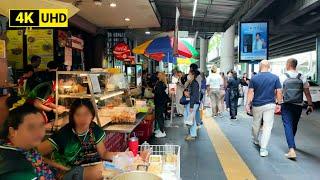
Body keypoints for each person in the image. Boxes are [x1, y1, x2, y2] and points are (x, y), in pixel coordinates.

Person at [38, 99, 122, 179]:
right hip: (69, 172)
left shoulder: (94, 129)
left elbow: (103, 153)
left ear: (92, 115)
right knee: (103, 171)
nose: (82, 119)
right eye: (78, 114)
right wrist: (58, 166)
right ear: (72, 116)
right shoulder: (65, 134)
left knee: (116, 168)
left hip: (89, 169)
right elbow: (33, 153)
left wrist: (125, 157)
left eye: (86, 114)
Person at [0, 104, 55, 179]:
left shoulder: (26, 147)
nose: (39, 132)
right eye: (31, 127)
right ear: (12, 131)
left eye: (41, 126)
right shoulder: (16, 166)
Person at [246, 60, 282, 157]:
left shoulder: (254, 78)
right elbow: (279, 91)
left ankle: (255, 139)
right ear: (269, 66)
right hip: (270, 104)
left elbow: (250, 92)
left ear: (260, 66)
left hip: (257, 105)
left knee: (256, 123)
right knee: (267, 126)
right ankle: (263, 149)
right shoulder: (275, 78)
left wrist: (247, 104)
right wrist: (279, 103)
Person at [279, 58, 313, 159]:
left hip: (286, 104)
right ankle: (292, 144)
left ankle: (291, 149)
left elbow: (279, 92)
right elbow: (307, 93)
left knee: (287, 125)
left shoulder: (282, 76)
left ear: (288, 65)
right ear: (295, 65)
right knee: (294, 125)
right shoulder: (302, 77)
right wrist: (310, 105)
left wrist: (278, 102)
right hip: (298, 105)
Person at [185, 64, 201, 141]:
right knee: (191, 118)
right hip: (193, 103)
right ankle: (191, 133)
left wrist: (191, 106)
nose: (188, 75)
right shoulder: (192, 83)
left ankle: (192, 134)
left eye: (189, 74)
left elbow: (194, 96)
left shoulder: (194, 83)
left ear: (193, 75)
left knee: (191, 119)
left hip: (193, 103)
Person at [154, 72, 170, 138]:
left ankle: (162, 131)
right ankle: (160, 130)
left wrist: (154, 91)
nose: (157, 75)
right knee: (159, 116)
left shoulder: (160, 84)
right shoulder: (163, 83)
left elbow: (158, 93)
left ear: (160, 76)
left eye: (159, 75)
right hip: (161, 102)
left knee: (159, 116)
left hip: (159, 102)